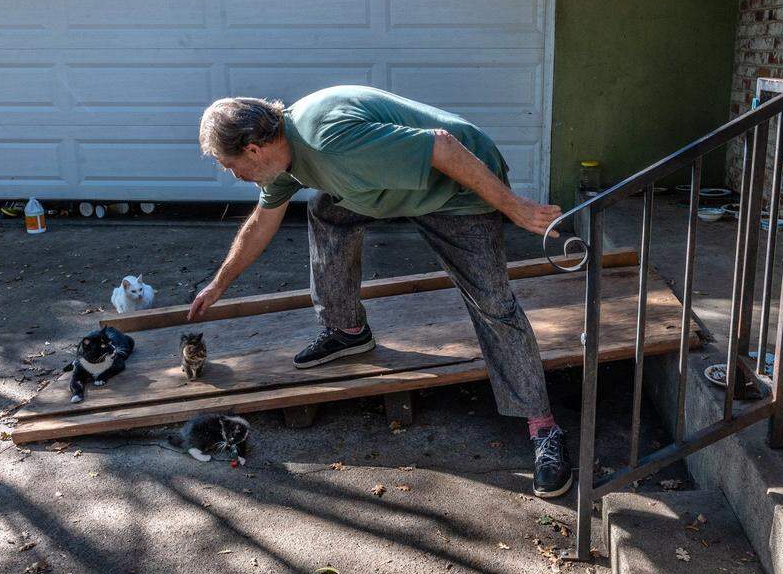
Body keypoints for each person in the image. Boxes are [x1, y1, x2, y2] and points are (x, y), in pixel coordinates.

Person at [189, 85, 572, 497]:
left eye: (230, 166)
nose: (234, 175)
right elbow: (262, 222)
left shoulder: (329, 141)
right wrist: (219, 283)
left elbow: (443, 147)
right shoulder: (283, 156)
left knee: (493, 305)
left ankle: (543, 428)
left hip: (458, 188)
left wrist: (512, 206)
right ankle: (347, 330)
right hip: (391, 186)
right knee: (327, 211)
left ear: (252, 150)